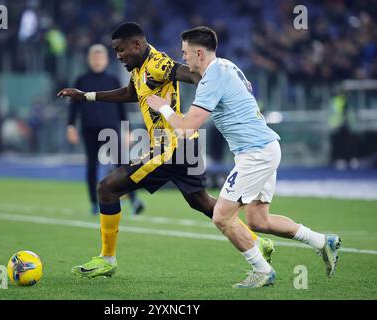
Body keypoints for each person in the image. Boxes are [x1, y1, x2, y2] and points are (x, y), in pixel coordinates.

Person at [57, 22, 275, 279]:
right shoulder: (138, 67)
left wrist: (211, 96)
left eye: (121, 50)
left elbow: (194, 75)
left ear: (137, 45)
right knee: (201, 201)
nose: (118, 56)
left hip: (170, 146)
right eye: (115, 51)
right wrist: (86, 96)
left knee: (107, 187)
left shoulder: (157, 64)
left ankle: (107, 259)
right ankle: (256, 241)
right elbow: (130, 93)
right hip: (188, 143)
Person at [147, 26, 342, 288]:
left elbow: (187, 128)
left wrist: (165, 108)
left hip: (256, 153)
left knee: (221, 216)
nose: (183, 59)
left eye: (185, 53)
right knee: (258, 220)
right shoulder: (227, 66)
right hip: (263, 146)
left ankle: (262, 271)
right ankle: (321, 241)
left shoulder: (212, 78)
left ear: (200, 53)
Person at [66, 44, 144, 215]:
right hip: (90, 129)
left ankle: (134, 200)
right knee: (92, 166)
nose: (97, 60)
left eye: (100, 56)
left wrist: (127, 129)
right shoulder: (81, 80)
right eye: (94, 56)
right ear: (89, 59)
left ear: (106, 59)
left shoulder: (113, 80)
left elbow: (122, 106)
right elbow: (74, 107)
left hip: (111, 128)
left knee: (122, 165)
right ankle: (94, 203)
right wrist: (71, 126)